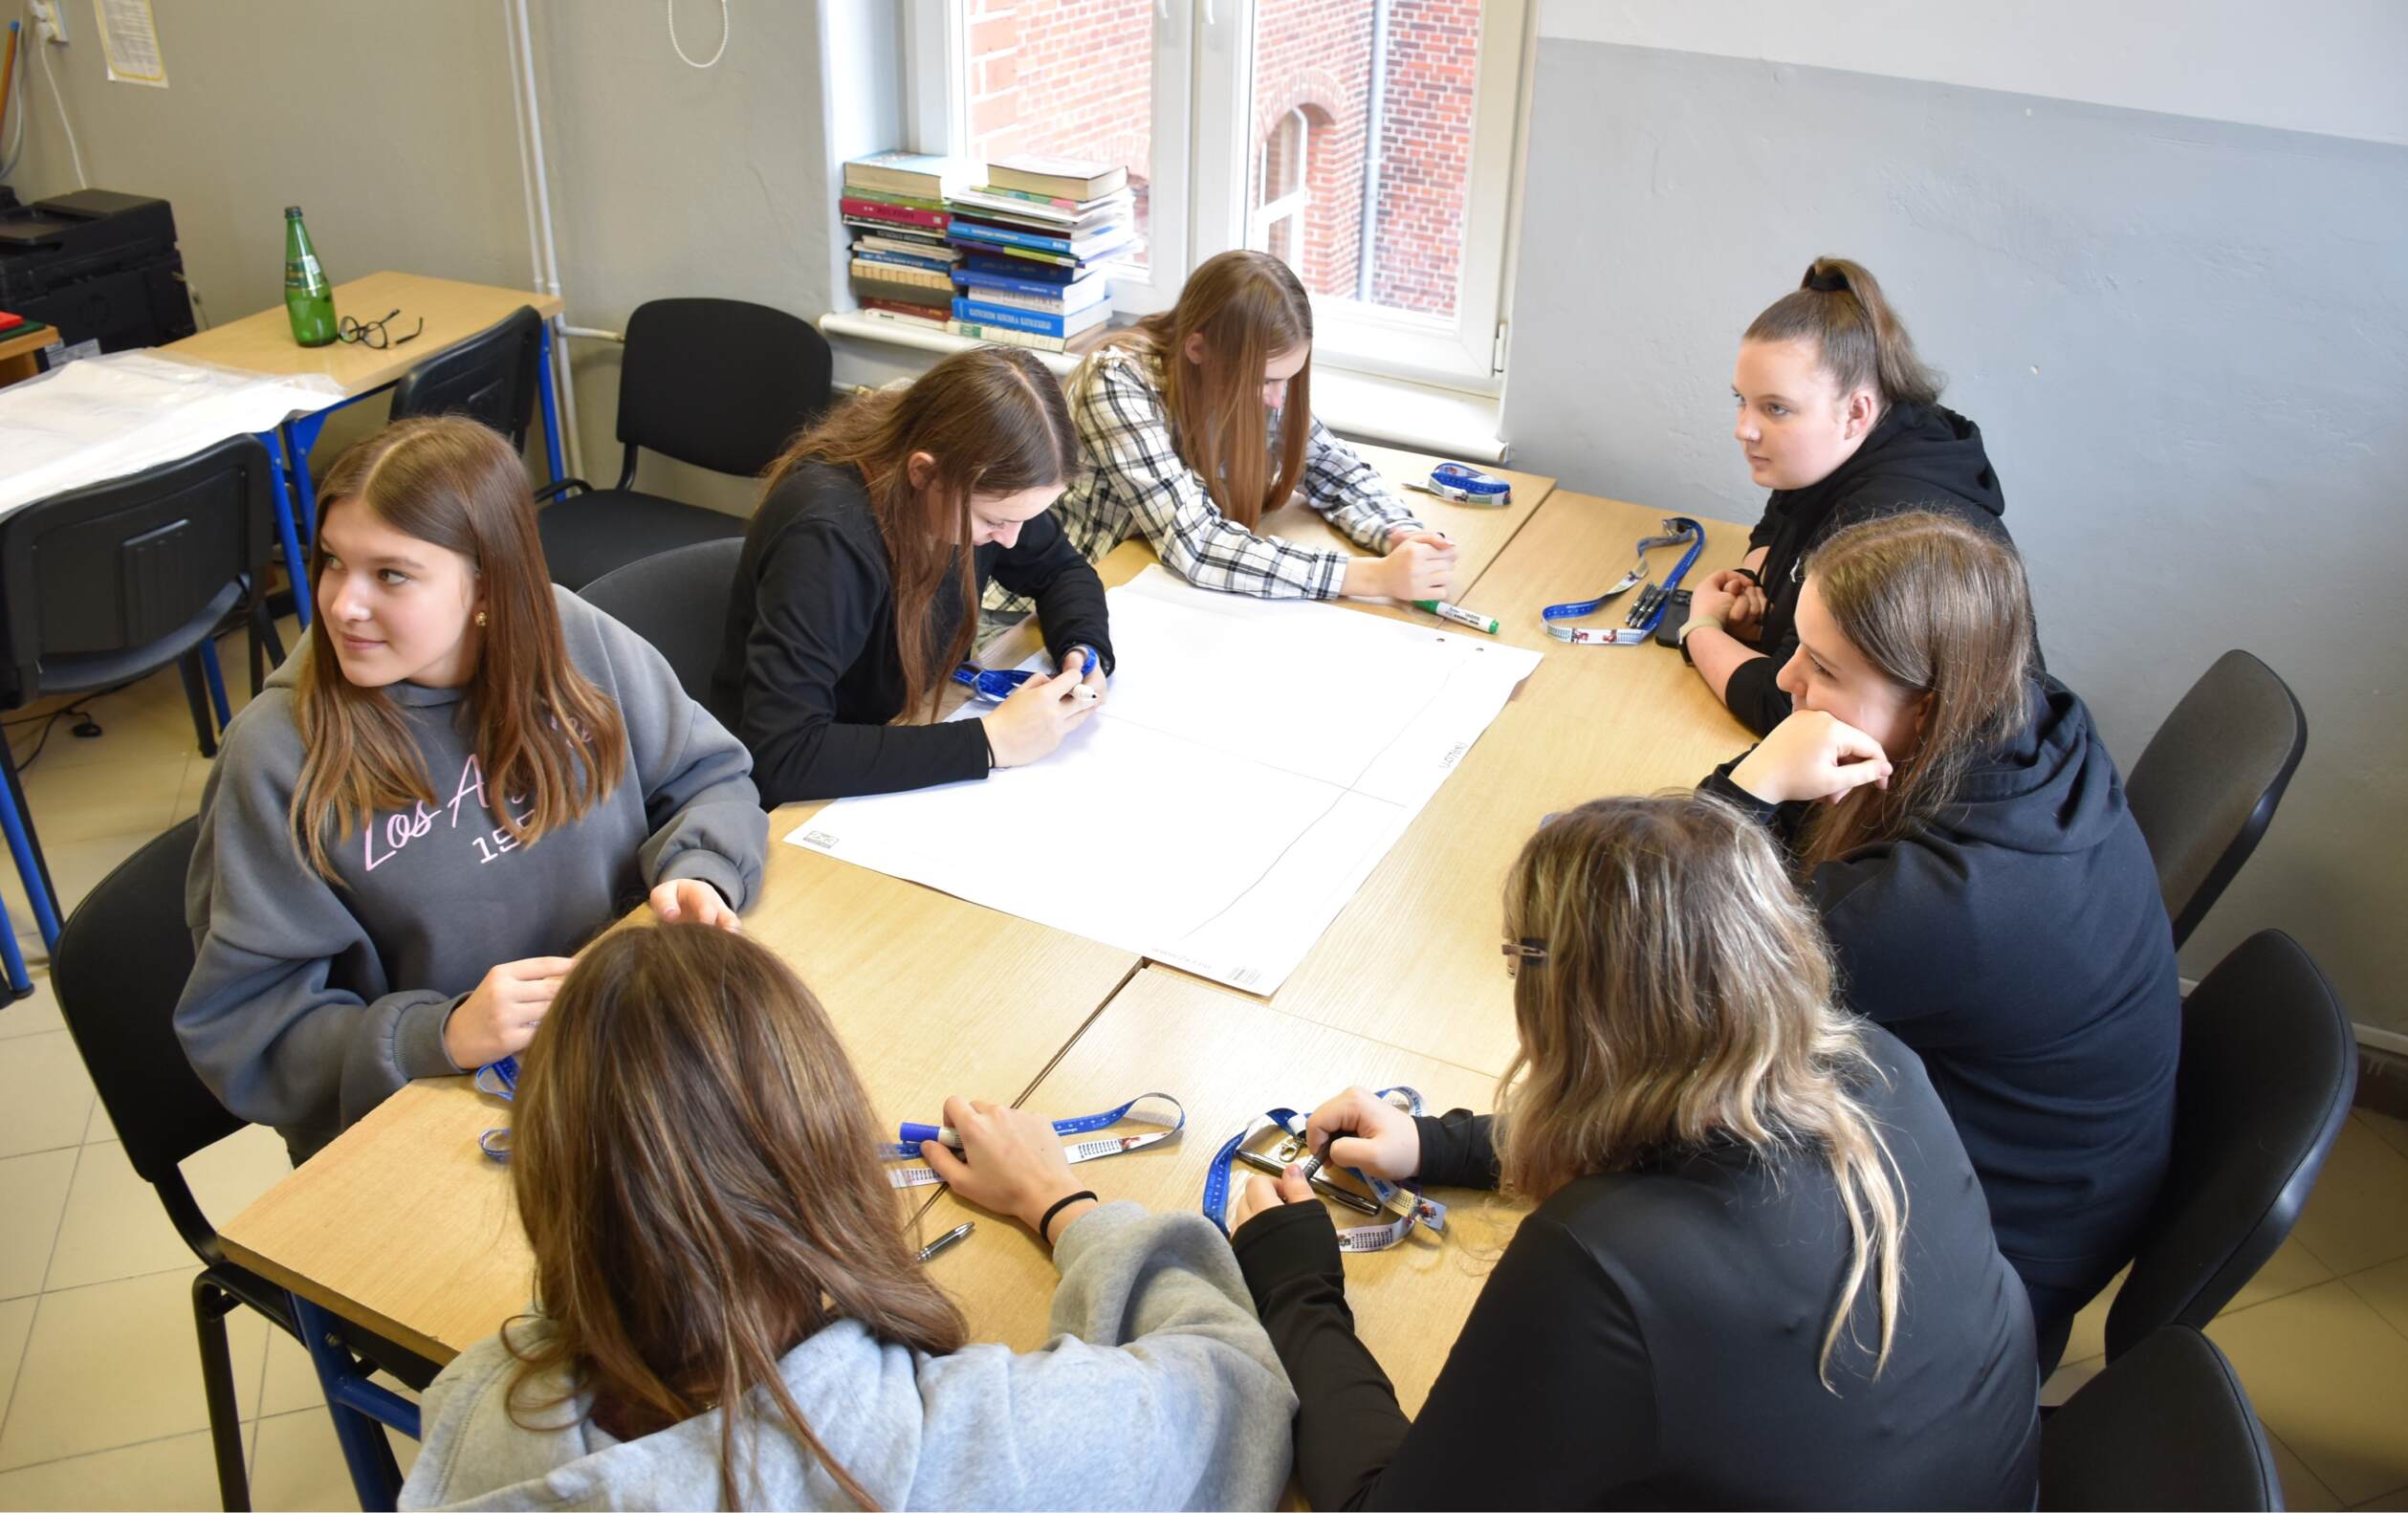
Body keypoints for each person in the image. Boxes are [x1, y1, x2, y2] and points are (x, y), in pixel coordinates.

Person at [1228, 795, 2040, 1510]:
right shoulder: (1881, 1068)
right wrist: (1436, 1144)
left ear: (1563, 1004)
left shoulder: (1599, 1260)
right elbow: (1671, 1118)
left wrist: (1295, 1287)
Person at [402, 924, 1296, 1511]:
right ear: (830, 1162)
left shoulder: (477, 1420)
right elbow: (1240, 1390)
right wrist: (1062, 1204)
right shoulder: (978, 1445)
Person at [176, 417, 767, 1165]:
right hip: (434, 1117)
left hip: (625, 1053)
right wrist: (442, 1033)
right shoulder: (278, 755)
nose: (342, 605)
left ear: (487, 584)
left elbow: (708, 776)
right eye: (333, 563)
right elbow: (247, 1027)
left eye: (391, 575)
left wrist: (700, 873)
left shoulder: (570, 637)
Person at [1697, 510, 2178, 1366]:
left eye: (1824, 668)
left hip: (1975, 1269)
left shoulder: (1935, 906)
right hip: (2051, 1183)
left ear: (1927, 708)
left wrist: (1754, 781)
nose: (1788, 678)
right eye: (1799, 645)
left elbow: (1669, 954)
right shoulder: (2037, 719)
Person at [712, 346, 1112, 805]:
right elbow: (782, 755)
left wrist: (1083, 650)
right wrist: (990, 741)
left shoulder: (972, 487)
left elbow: (1061, 569)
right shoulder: (827, 536)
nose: (1010, 540)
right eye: (994, 521)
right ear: (923, 473)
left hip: (906, 725)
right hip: (799, 795)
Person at [980, 249, 1456, 627]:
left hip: (1152, 589)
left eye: (1287, 380)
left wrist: (1400, 534)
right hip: (1046, 608)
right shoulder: (1118, 381)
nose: (1277, 400)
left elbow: (1337, 471)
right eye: (1265, 381)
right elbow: (1197, 543)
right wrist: (1371, 577)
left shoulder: (1254, 383)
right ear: (1198, 349)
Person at [1681, 256, 2010, 735]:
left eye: (1776, 408)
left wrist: (1700, 630)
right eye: (1741, 401)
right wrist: (1749, 584)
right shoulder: (1858, 444)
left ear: (1857, 412)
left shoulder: (1884, 532)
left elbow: (1789, 707)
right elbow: (1779, 519)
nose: (1744, 429)